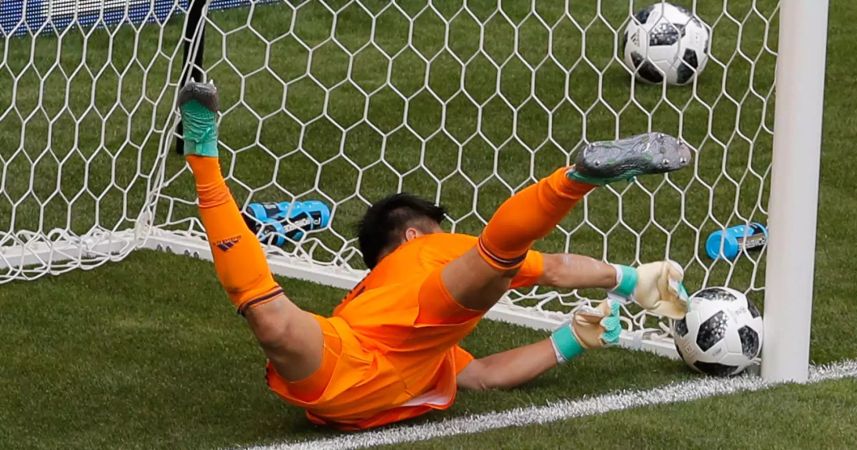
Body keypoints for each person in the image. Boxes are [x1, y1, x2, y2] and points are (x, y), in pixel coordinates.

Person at [177, 81, 692, 430]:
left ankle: (203, 156)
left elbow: (483, 375)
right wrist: (630, 279)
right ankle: (574, 178)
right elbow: (553, 268)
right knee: (500, 252)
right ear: (411, 238)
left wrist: (573, 340)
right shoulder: (426, 255)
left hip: (340, 363)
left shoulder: (418, 339)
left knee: (271, 318)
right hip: (361, 349)